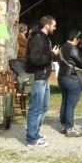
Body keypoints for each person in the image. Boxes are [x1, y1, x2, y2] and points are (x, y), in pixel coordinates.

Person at [25, 15, 58, 147]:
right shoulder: (37, 39)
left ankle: (35, 132)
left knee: (44, 108)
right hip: (38, 78)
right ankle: (31, 139)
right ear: (47, 25)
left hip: (44, 78)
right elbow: (35, 59)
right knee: (36, 109)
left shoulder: (44, 39)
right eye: (54, 25)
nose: (55, 28)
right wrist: (51, 54)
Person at [57, 29, 82, 137]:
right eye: (78, 40)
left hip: (61, 77)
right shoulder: (73, 48)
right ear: (75, 39)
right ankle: (70, 128)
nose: (78, 42)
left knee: (64, 102)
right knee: (71, 104)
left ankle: (63, 125)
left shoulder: (62, 48)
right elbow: (81, 64)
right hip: (72, 78)